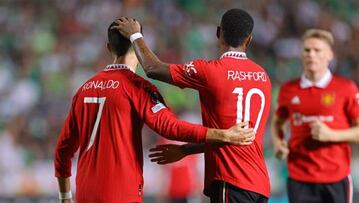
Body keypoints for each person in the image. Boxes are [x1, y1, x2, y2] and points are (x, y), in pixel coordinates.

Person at [53, 20, 257, 203]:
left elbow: (62, 151)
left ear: (109, 48)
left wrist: (65, 197)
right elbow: (169, 127)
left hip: (85, 193)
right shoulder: (137, 87)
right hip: (121, 192)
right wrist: (222, 134)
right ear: (139, 46)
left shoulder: (84, 89)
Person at [113, 8, 272, 203]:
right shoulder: (263, 76)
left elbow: (153, 69)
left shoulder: (210, 71)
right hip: (260, 184)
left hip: (231, 180)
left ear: (218, 33)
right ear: (249, 40)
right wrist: (185, 151)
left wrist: (135, 35)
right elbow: (232, 139)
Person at [270, 29, 359, 203]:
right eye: (306, 50)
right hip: (299, 177)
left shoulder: (346, 88)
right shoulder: (289, 89)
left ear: (329, 55)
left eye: (317, 50)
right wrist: (278, 143)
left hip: (336, 176)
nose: (311, 54)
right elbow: (278, 122)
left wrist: (332, 135)